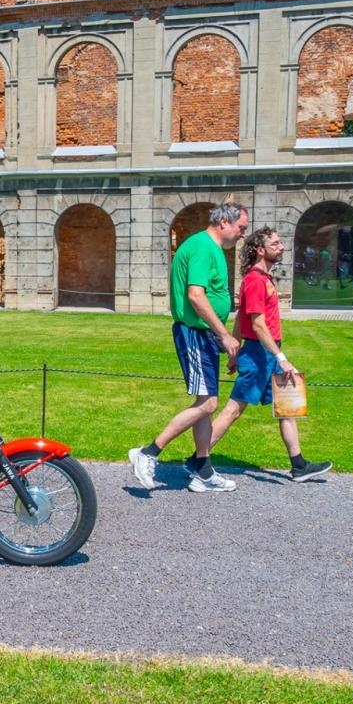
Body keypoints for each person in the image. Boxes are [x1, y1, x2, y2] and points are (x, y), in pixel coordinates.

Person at [128, 203, 249, 493]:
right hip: (195, 333)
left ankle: (203, 471)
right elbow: (196, 296)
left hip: (205, 335)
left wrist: (223, 339)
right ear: (223, 222)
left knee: (206, 405)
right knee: (207, 403)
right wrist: (225, 335)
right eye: (240, 227)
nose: (242, 234)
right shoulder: (201, 247)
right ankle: (147, 453)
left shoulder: (212, 249)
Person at [211, 227, 333, 482]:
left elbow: (240, 319)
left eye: (280, 243)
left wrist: (234, 351)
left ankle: (299, 466)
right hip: (260, 354)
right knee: (233, 410)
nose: (282, 247)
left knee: (288, 407)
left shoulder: (263, 279)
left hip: (264, 350)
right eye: (276, 243)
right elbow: (256, 324)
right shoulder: (255, 281)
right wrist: (280, 357)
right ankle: (198, 459)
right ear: (260, 250)